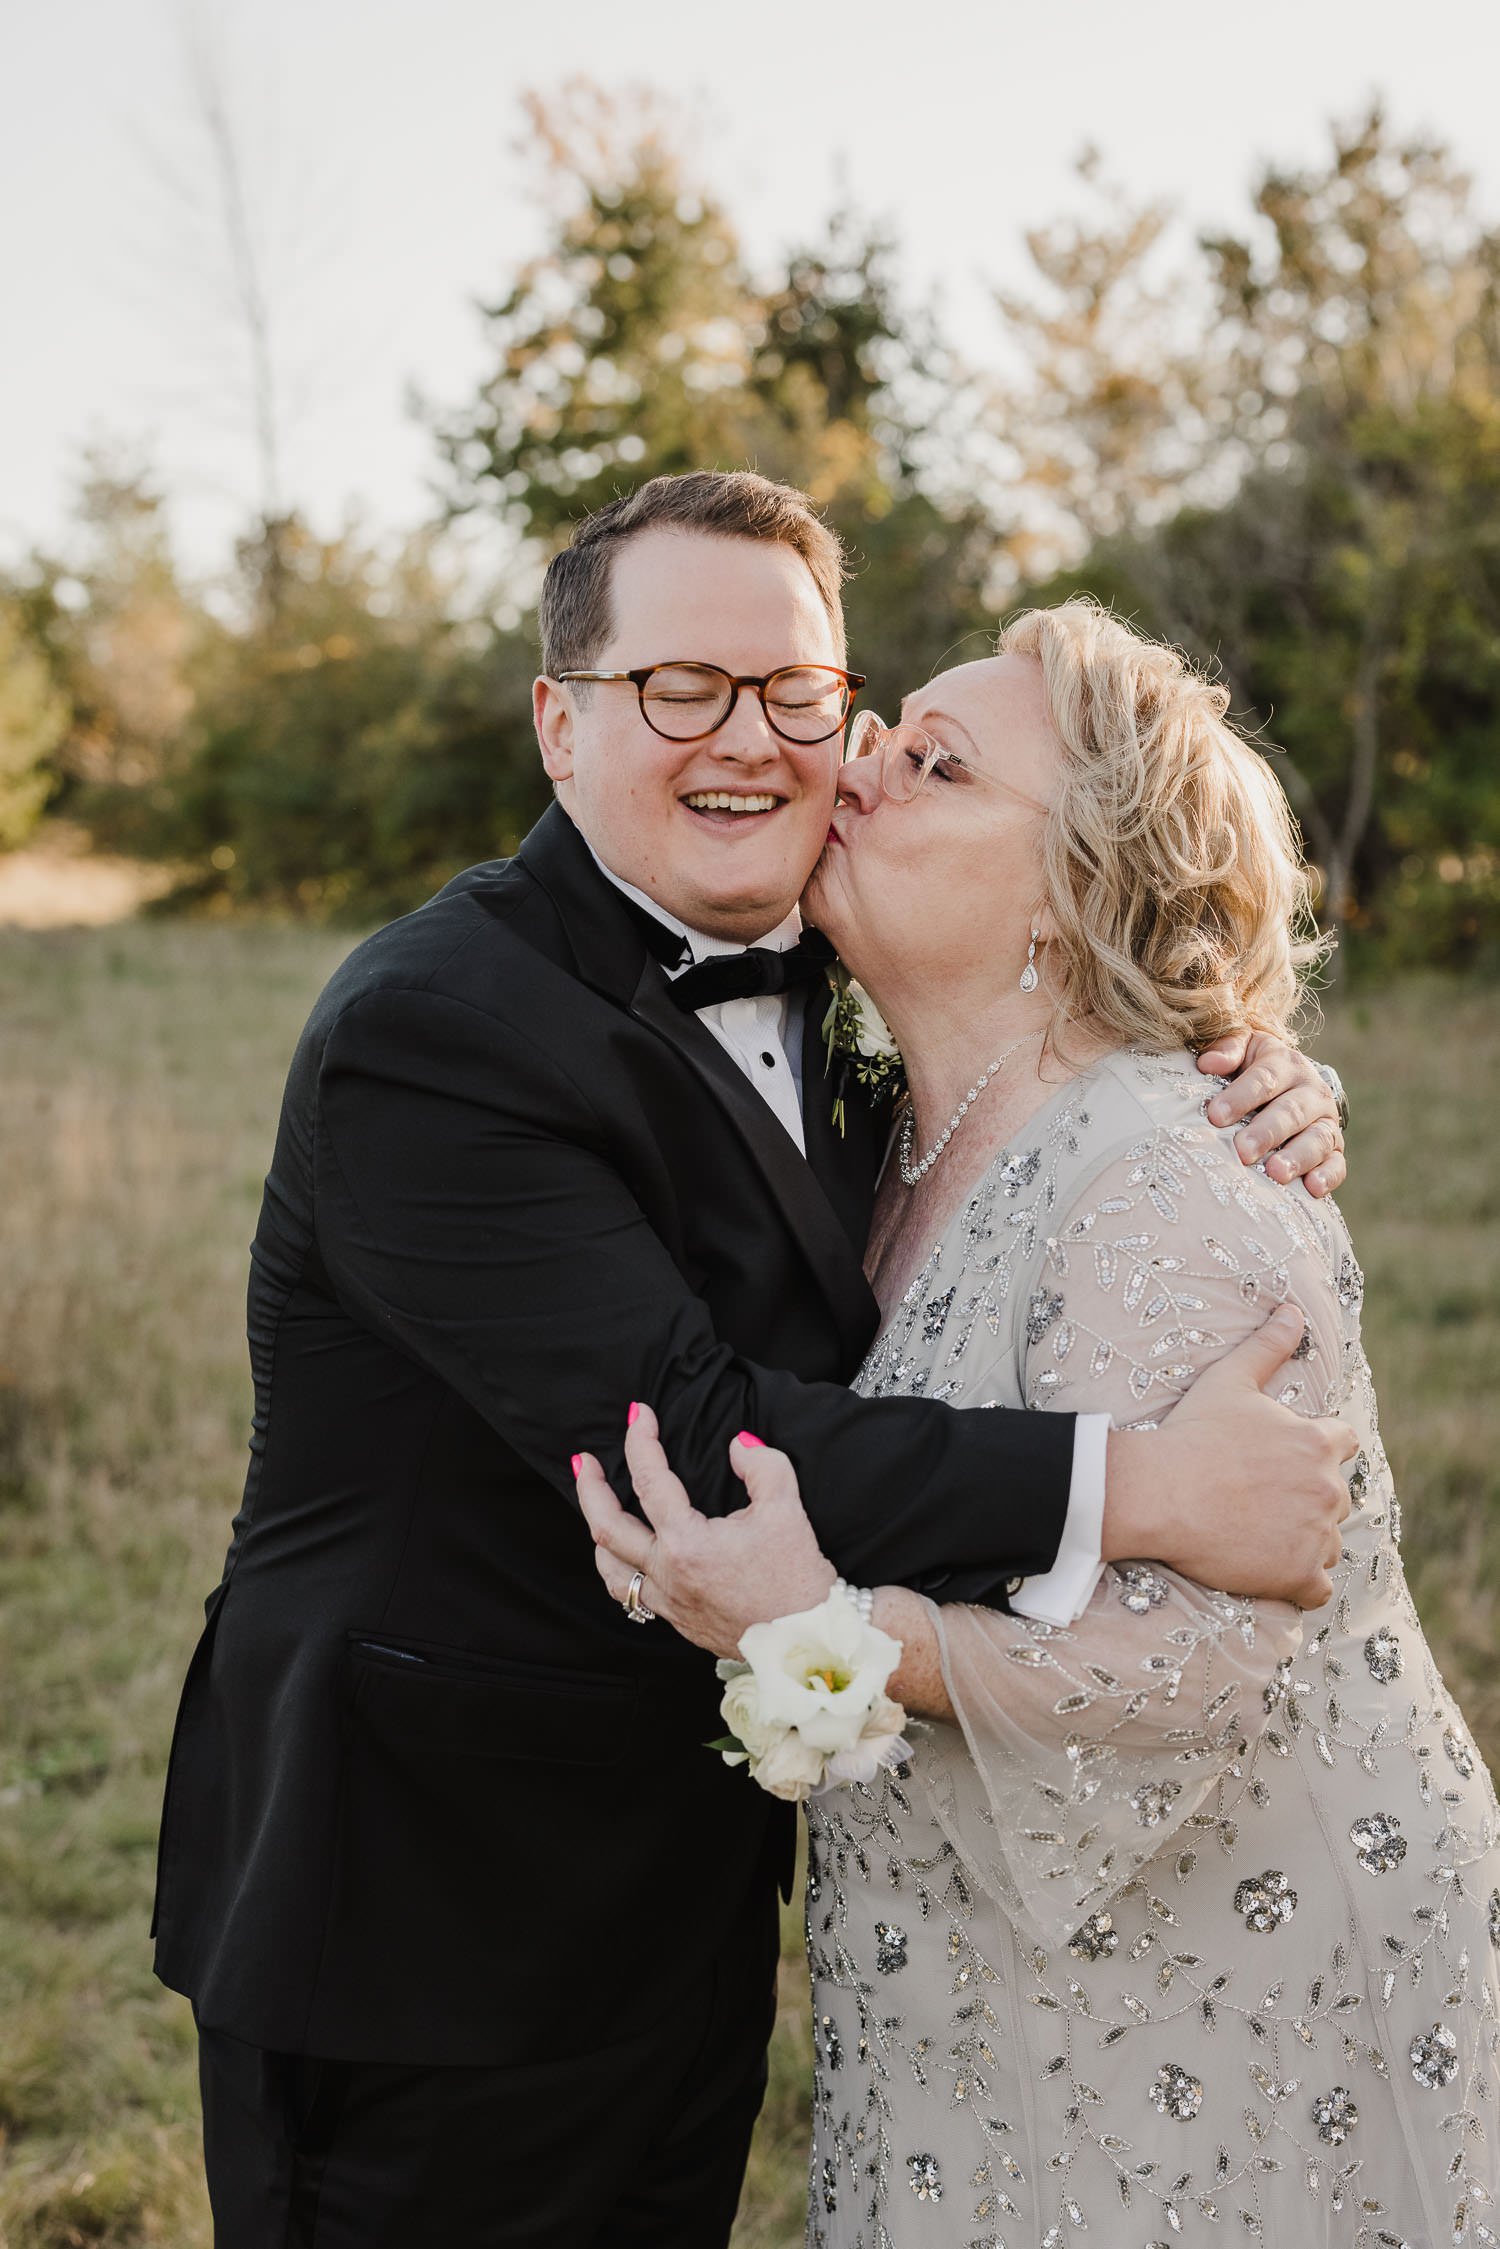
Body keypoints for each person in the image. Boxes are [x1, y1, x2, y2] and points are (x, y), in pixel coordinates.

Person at [151, 474, 1353, 2249]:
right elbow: (702, 1441)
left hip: (692, 1912)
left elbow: (1041, 1104)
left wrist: (1237, 1066)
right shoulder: (433, 1032)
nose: (753, 739)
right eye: (680, 689)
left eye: (797, 692)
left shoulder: (858, 992)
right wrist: (1151, 1480)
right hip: (420, 1930)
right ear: (561, 724)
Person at [577, 600, 1500, 2247]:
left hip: (1236, 1989)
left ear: (1075, 896)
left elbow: (1196, 1661)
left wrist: (827, 1632)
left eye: (933, 762)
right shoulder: (877, 1146)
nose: (849, 768)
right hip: (995, 1964)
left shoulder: (1172, 1178)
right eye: (879, 730)